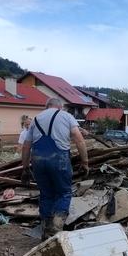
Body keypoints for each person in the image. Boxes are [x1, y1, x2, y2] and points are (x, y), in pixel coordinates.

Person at [21, 98, 89, 240]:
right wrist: (85, 162)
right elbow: (79, 140)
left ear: (47, 106)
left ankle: (45, 228)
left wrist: (25, 168)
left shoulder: (36, 120)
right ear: (60, 106)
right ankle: (55, 229)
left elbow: (26, 146)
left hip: (38, 161)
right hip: (59, 160)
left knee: (46, 194)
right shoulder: (66, 116)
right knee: (64, 193)